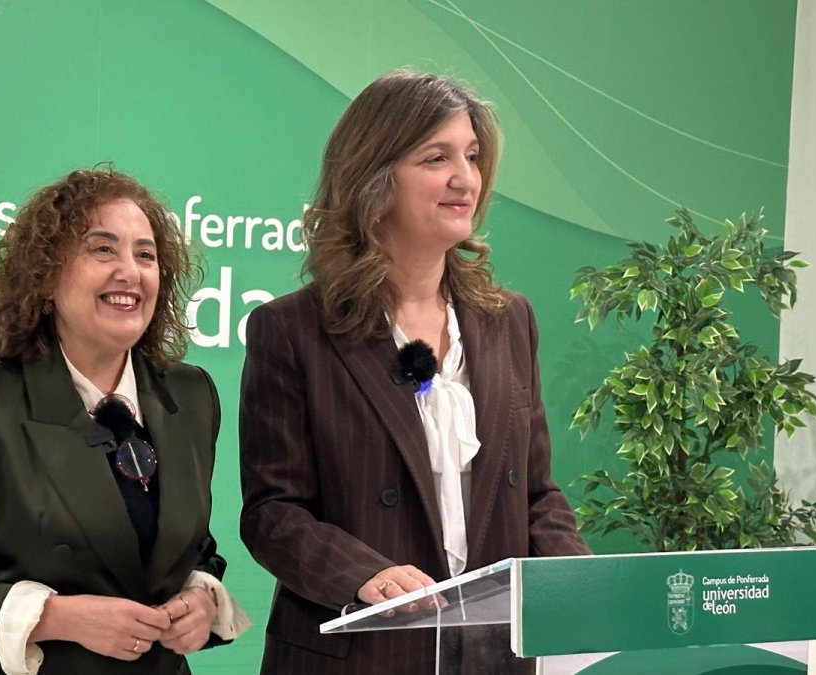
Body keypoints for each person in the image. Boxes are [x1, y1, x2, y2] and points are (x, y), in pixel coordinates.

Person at [239, 70, 590, 674]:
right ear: (374, 178)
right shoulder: (293, 330)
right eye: (437, 157)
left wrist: (581, 580)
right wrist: (363, 574)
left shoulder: (510, 321)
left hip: (492, 656)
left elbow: (534, 491)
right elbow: (273, 512)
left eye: (473, 157)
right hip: (359, 656)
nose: (465, 179)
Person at [0, 167, 248, 675]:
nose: (130, 271)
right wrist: (57, 618)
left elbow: (191, 548)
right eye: (103, 249)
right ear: (46, 277)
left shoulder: (190, 395)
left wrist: (202, 600)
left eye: (145, 255)